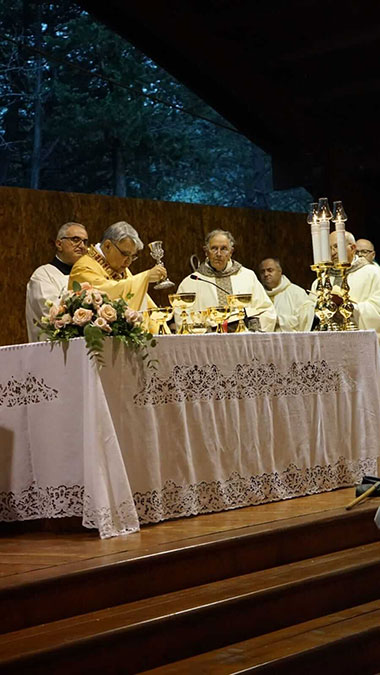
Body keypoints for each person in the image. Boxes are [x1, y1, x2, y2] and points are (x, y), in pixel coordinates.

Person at [176, 229, 276, 331]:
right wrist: (207, 331)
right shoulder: (191, 282)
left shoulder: (247, 276)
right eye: (214, 248)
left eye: (224, 249)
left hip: (243, 341)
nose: (218, 254)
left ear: (231, 252)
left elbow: (267, 311)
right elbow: (182, 317)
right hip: (209, 344)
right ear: (206, 251)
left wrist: (249, 327)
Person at [68, 221, 166, 311]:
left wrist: (160, 317)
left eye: (133, 256)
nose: (129, 261)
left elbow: (141, 299)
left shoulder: (122, 268)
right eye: (125, 254)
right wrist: (146, 277)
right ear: (107, 246)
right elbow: (106, 292)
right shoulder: (82, 268)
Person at [26, 222, 89, 342]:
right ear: (59, 244)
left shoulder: (88, 276)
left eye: (85, 242)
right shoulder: (43, 275)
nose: (82, 246)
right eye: (75, 240)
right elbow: (51, 316)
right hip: (50, 352)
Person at [311, 231, 380, 337]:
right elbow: (308, 312)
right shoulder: (322, 280)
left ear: (352, 248)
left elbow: (377, 308)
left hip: (359, 340)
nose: (332, 253)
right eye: (329, 249)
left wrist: (349, 307)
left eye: (336, 247)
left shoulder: (373, 273)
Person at [259, 257, 314, 332]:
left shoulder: (297, 293)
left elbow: (303, 322)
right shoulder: (258, 295)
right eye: (262, 271)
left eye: (270, 270)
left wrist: (276, 319)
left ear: (280, 271)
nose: (266, 274)